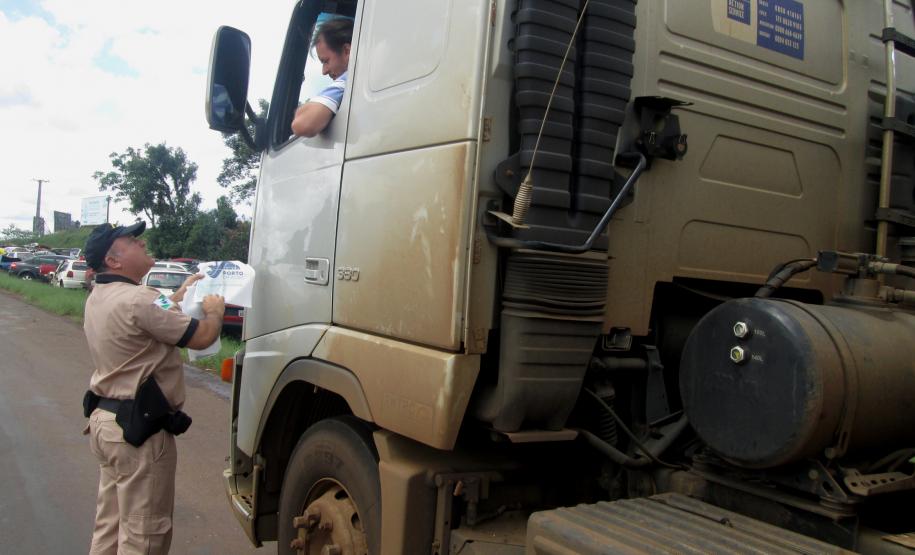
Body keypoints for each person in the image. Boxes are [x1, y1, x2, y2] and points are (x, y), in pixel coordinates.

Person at [81, 222, 225, 554]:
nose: (142, 242)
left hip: (108, 423)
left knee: (111, 526)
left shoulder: (103, 295)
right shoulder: (140, 300)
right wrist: (215, 313)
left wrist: (181, 294)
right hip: (138, 434)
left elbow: (157, 311)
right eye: (132, 241)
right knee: (144, 535)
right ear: (114, 260)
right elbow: (202, 336)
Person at [291, 17, 354, 137]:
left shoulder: (349, 80)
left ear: (347, 51)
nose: (324, 71)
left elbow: (303, 124)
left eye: (326, 61)